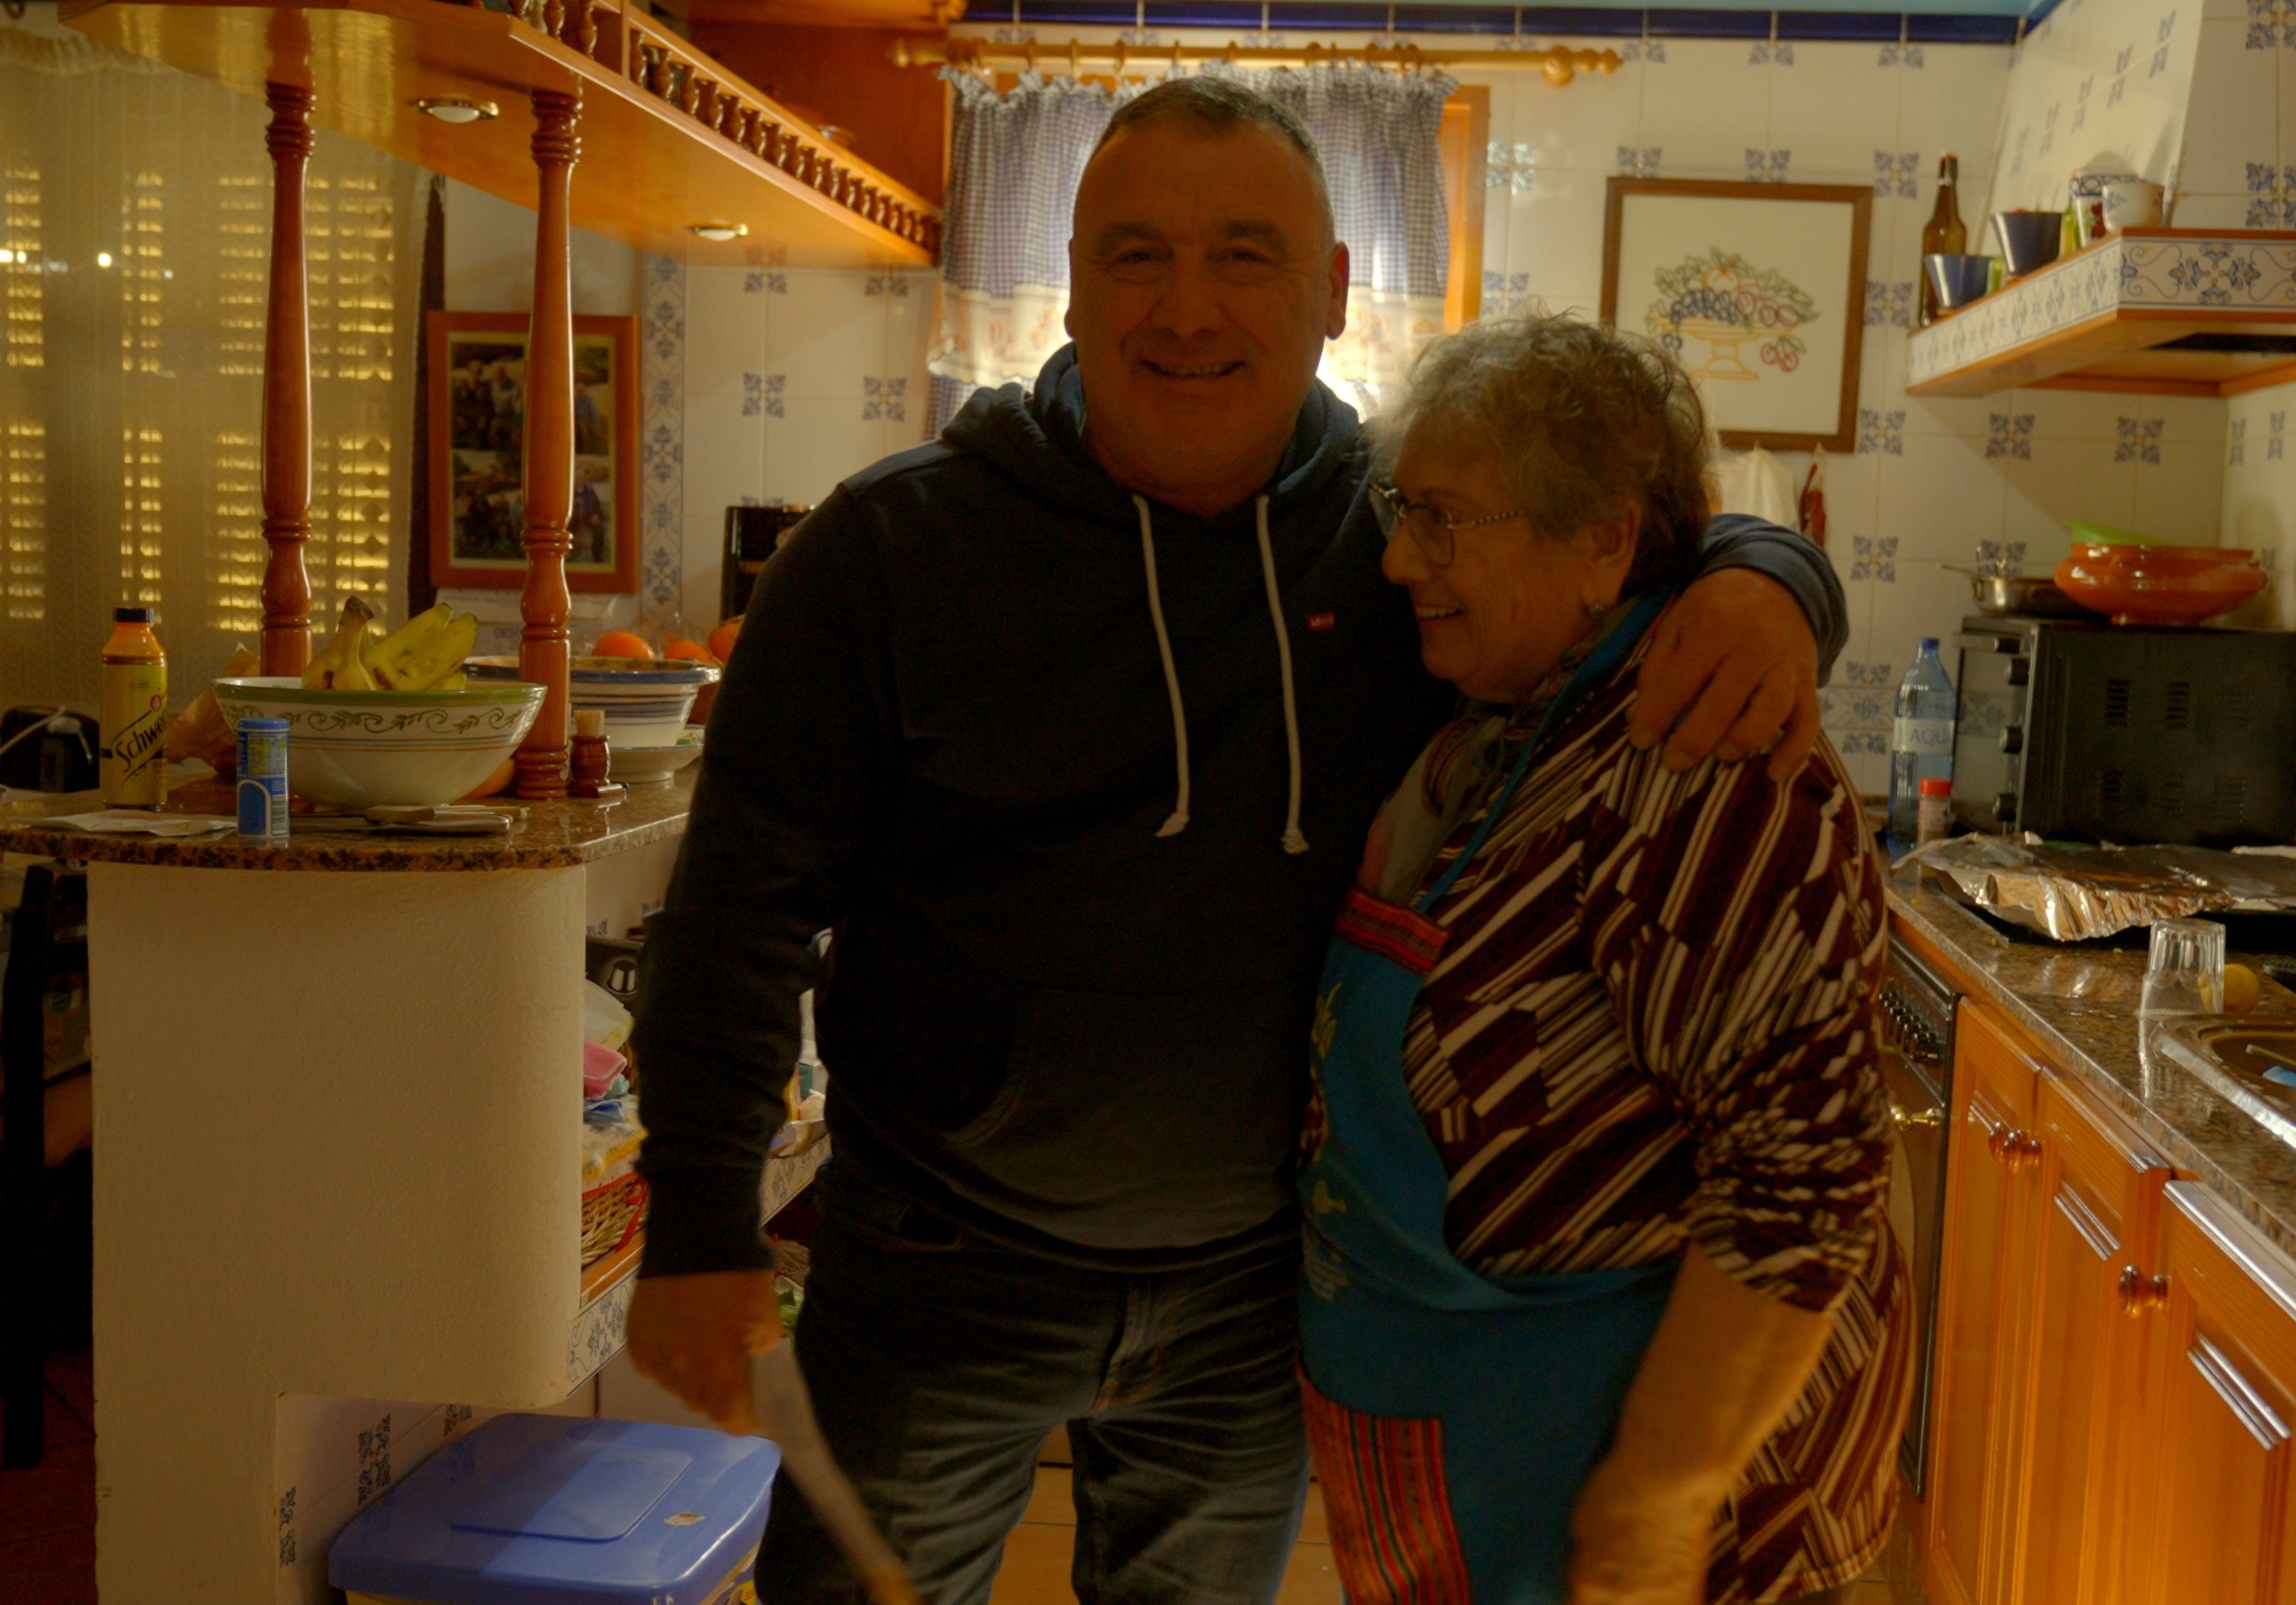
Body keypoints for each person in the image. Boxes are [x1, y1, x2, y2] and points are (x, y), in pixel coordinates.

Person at [625, 77, 1853, 1605]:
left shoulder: (1403, 536)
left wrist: (1772, 575)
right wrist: (699, 1222)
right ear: (1071, 285)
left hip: (1259, 1300)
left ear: (1332, 292)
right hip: (938, 1274)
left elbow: (1617, 532)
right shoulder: (886, 548)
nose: (1187, 309)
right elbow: (737, 913)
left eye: (1244, 257)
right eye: (1136, 255)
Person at [1300, 313, 1908, 1605]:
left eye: (1444, 520)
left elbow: (1806, 1178)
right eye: (1404, 510)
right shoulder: (1508, 716)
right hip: (1484, 1462)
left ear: (1605, 540)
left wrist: (1658, 1499)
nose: (1400, 558)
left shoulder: (1699, 758)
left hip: (1655, 1521)